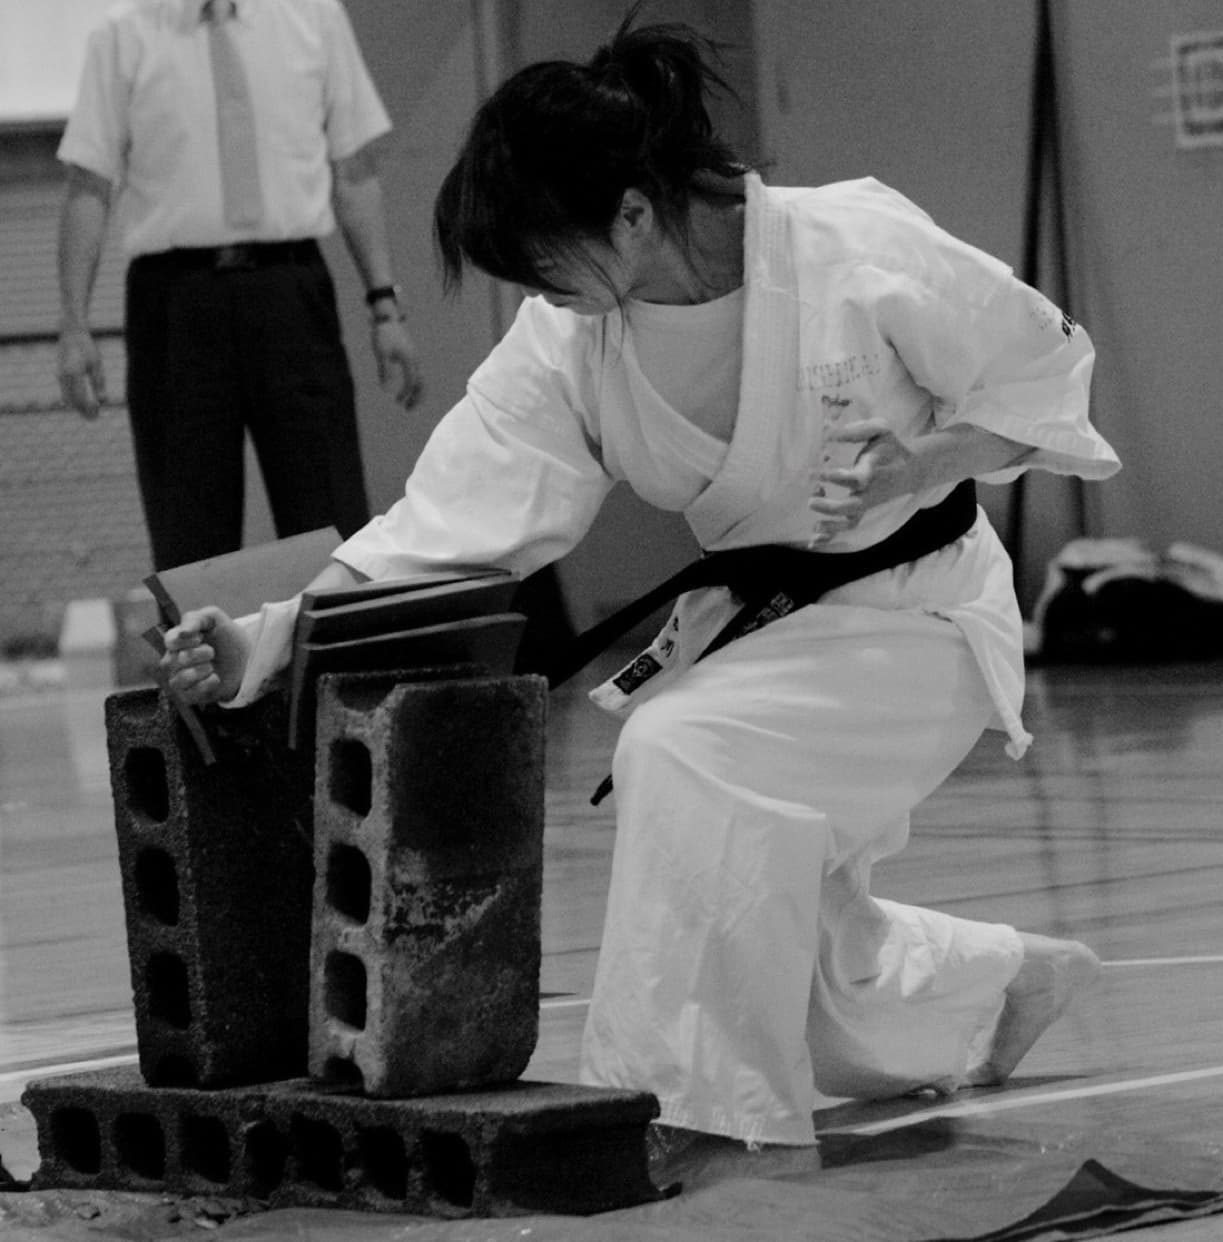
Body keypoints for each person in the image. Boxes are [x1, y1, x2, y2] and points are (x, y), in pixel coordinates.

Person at [162, 14, 1120, 1185]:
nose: (545, 296)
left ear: (629, 214)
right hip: (775, 632)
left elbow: (1048, 367)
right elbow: (440, 526)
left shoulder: (850, 245)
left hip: (923, 616)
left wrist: (931, 455)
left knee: (681, 750)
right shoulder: (570, 340)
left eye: (547, 262)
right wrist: (266, 637)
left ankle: (699, 1115)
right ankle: (1005, 982)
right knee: (790, 967)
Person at [56, 0, 421, 572]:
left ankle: (333, 661)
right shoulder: (121, 37)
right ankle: (208, 661)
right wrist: (74, 325)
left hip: (291, 292)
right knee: (189, 541)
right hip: (175, 306)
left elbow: (354, 172)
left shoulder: (314, 18)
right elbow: (88, 187)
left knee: (331, 524)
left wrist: (385, 308)